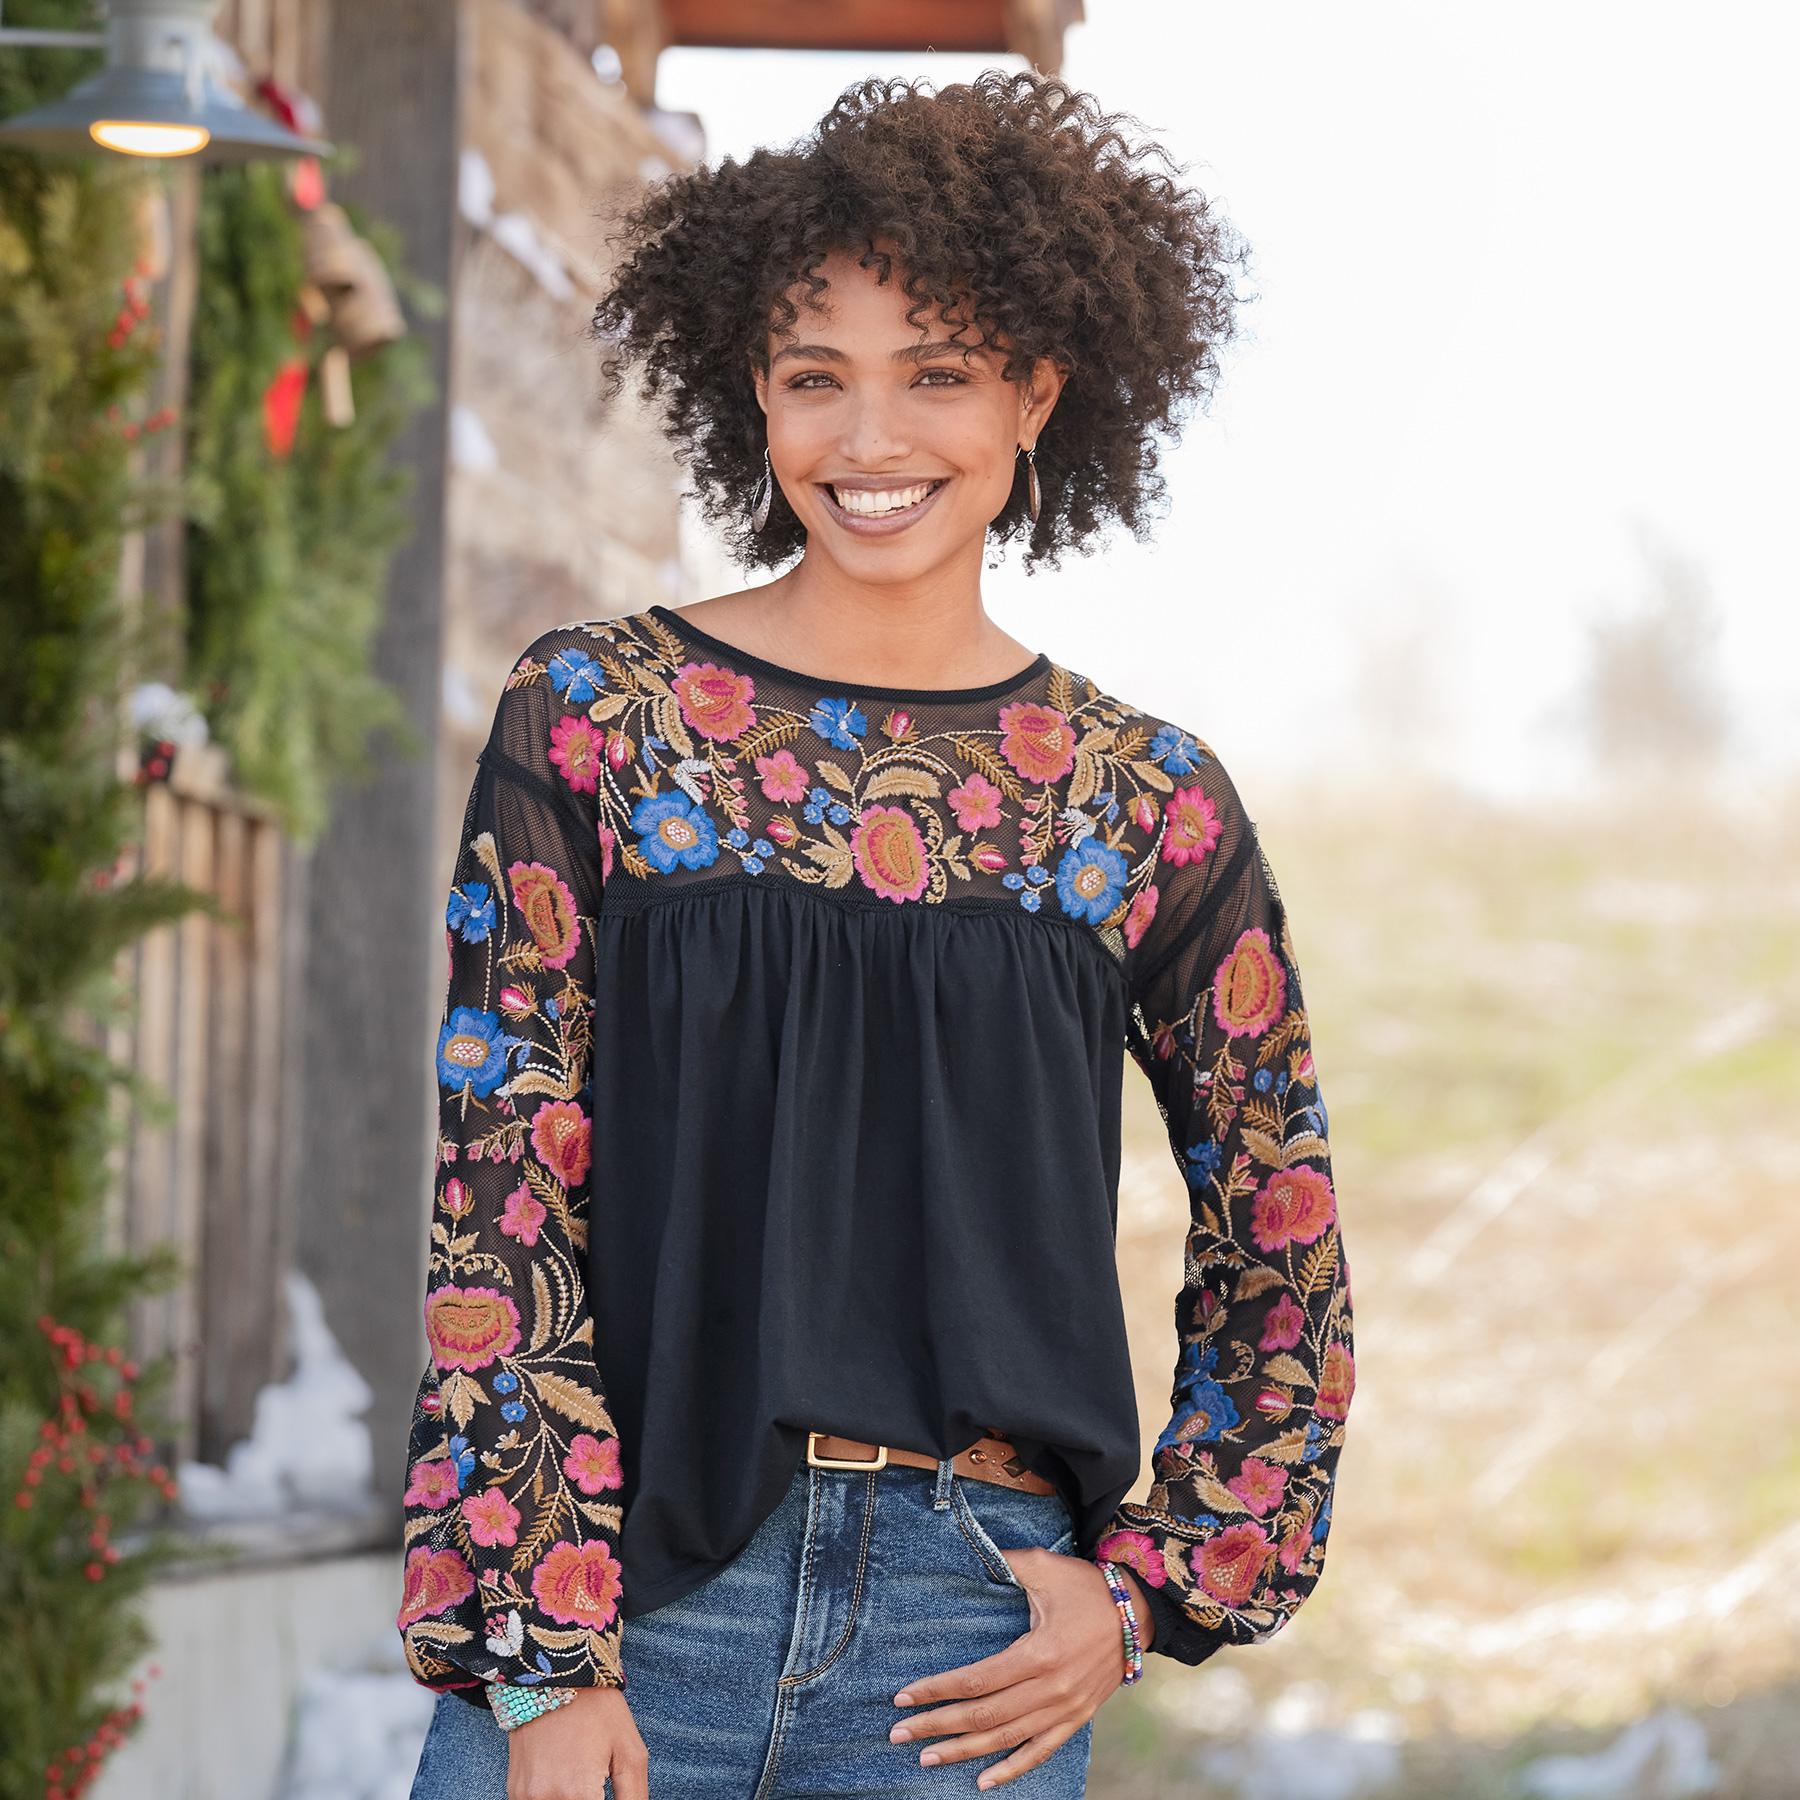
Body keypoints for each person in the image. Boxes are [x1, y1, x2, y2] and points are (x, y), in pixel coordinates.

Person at [398, 68, 1356, 1800]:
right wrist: (538, 1657)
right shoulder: (601, 721)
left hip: (969, 1641)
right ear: (752, 393)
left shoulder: (1143, 802)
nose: (868, 439)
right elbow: (503, 1199)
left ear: (1037, 393)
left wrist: (1152, 1588)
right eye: (813, 376)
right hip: (626, 1621)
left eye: (938, 373)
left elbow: (1280, 1231)